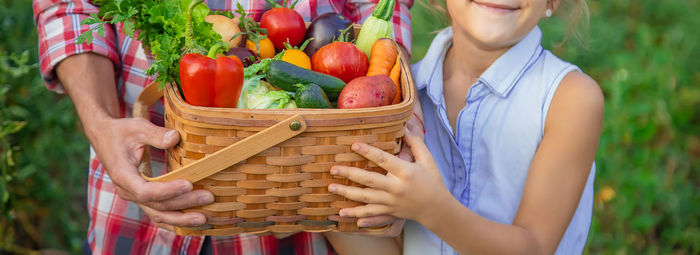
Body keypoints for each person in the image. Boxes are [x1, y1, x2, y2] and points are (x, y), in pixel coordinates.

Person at [32, 0, 413, 254]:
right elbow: (70, 6)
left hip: (310, 210)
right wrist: (101, 125)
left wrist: (401, 124)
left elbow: (381, 7)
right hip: (142, 203)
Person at [325, 0, 603, 254]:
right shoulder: (399, 103)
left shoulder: (569, 98)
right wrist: (328, 210)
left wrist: (431, 208)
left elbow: (536, 247)